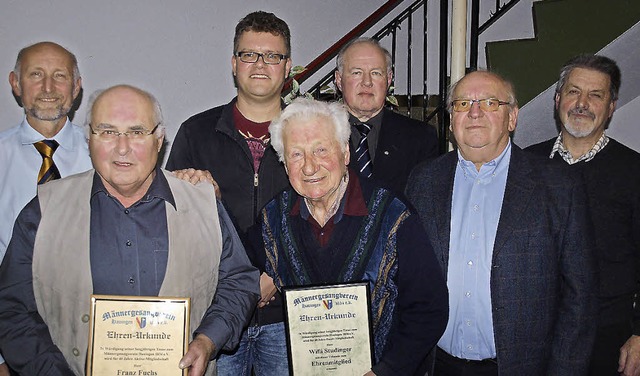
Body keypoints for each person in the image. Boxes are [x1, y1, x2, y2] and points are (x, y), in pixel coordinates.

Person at [0, 85, 260, 376]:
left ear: (159, 140)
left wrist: (208, 340)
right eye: (108, 132)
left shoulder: (202, 203)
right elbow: (11, 309)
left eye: (137, 132)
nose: (122, 147)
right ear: (89, 139)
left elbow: (239, 281)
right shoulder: (44, 211)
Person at [406, 70, 598, 375]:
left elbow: (580, 297)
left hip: (520, 368)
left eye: (490, 103)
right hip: (435, 364)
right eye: (462, 104)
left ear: (512, 118)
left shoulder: (558, 185)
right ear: (451, 119)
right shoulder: (424, 180)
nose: (475, 112)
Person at [246, 97, 448, 375]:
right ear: (283, 162)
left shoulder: (393, 214)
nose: (309, 166)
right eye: (296, 154)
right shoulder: (275, 218)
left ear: (345, 153)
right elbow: (238, 267)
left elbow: (429, 307)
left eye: (320, 150)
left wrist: (387, 370)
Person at [166, 11, 292, 375]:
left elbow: (325, 214)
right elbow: (173, 224)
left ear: (288, 67)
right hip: (214, 317)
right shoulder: (196, 132)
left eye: (273, 56)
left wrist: (274, 274)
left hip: (286, 316)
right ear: (234, 63)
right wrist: (205, 203)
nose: (260, 64)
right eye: (249, 54)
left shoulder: (308, 133)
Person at [526, 54, 640, 376]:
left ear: (612, 106)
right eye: (574, 92)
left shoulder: (634, 172)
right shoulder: (525, 166)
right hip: (534, 332)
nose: (582, 103)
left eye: (596, 95)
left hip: (607, 336)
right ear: (557, 98)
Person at [0, 41, 92, 374]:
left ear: (77, 86)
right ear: (15, 83)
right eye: (36, 75)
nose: (49, 88)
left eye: (60, 76)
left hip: (89, 334)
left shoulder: (107, 158)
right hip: (11, 338)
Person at [334, 37, 438, 192]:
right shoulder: (320, 133)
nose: (367, 82)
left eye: (376, 73)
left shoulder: (421, 138)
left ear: (389, 79)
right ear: (338, 79)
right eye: (356, 73)